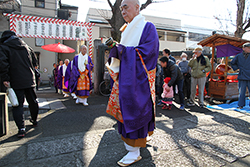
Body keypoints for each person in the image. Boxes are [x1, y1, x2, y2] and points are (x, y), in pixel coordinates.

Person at [105, 0, 159, 165]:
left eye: (125, 7)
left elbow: (148, 52)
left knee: (135, 111)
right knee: (128, 112)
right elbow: (127, 51)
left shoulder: (147, 27)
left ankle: (134, 152)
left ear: (137, 7)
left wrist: (121, 50)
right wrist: (118, 48)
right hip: (127, 79)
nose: (122, 11)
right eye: (121, 8)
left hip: (138, 80)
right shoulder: (127, 29)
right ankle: (135, 146)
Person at [0, 30, 39, 138]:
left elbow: (3, 64)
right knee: (33, 101)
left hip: (16, 79)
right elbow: (35, 60)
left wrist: (5, 78)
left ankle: (21, 129)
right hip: (30, 79)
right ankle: (34, 120)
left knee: (18, 105)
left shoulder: (4, 47)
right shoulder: (25, 45)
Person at [231, 42, 250, 109]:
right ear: (243, 48)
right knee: (242, 92)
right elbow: (233, 63)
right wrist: (237, 68)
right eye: (248, 48)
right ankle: (241, 105)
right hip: (242, 75)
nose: (249, 49)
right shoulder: (239, 56)